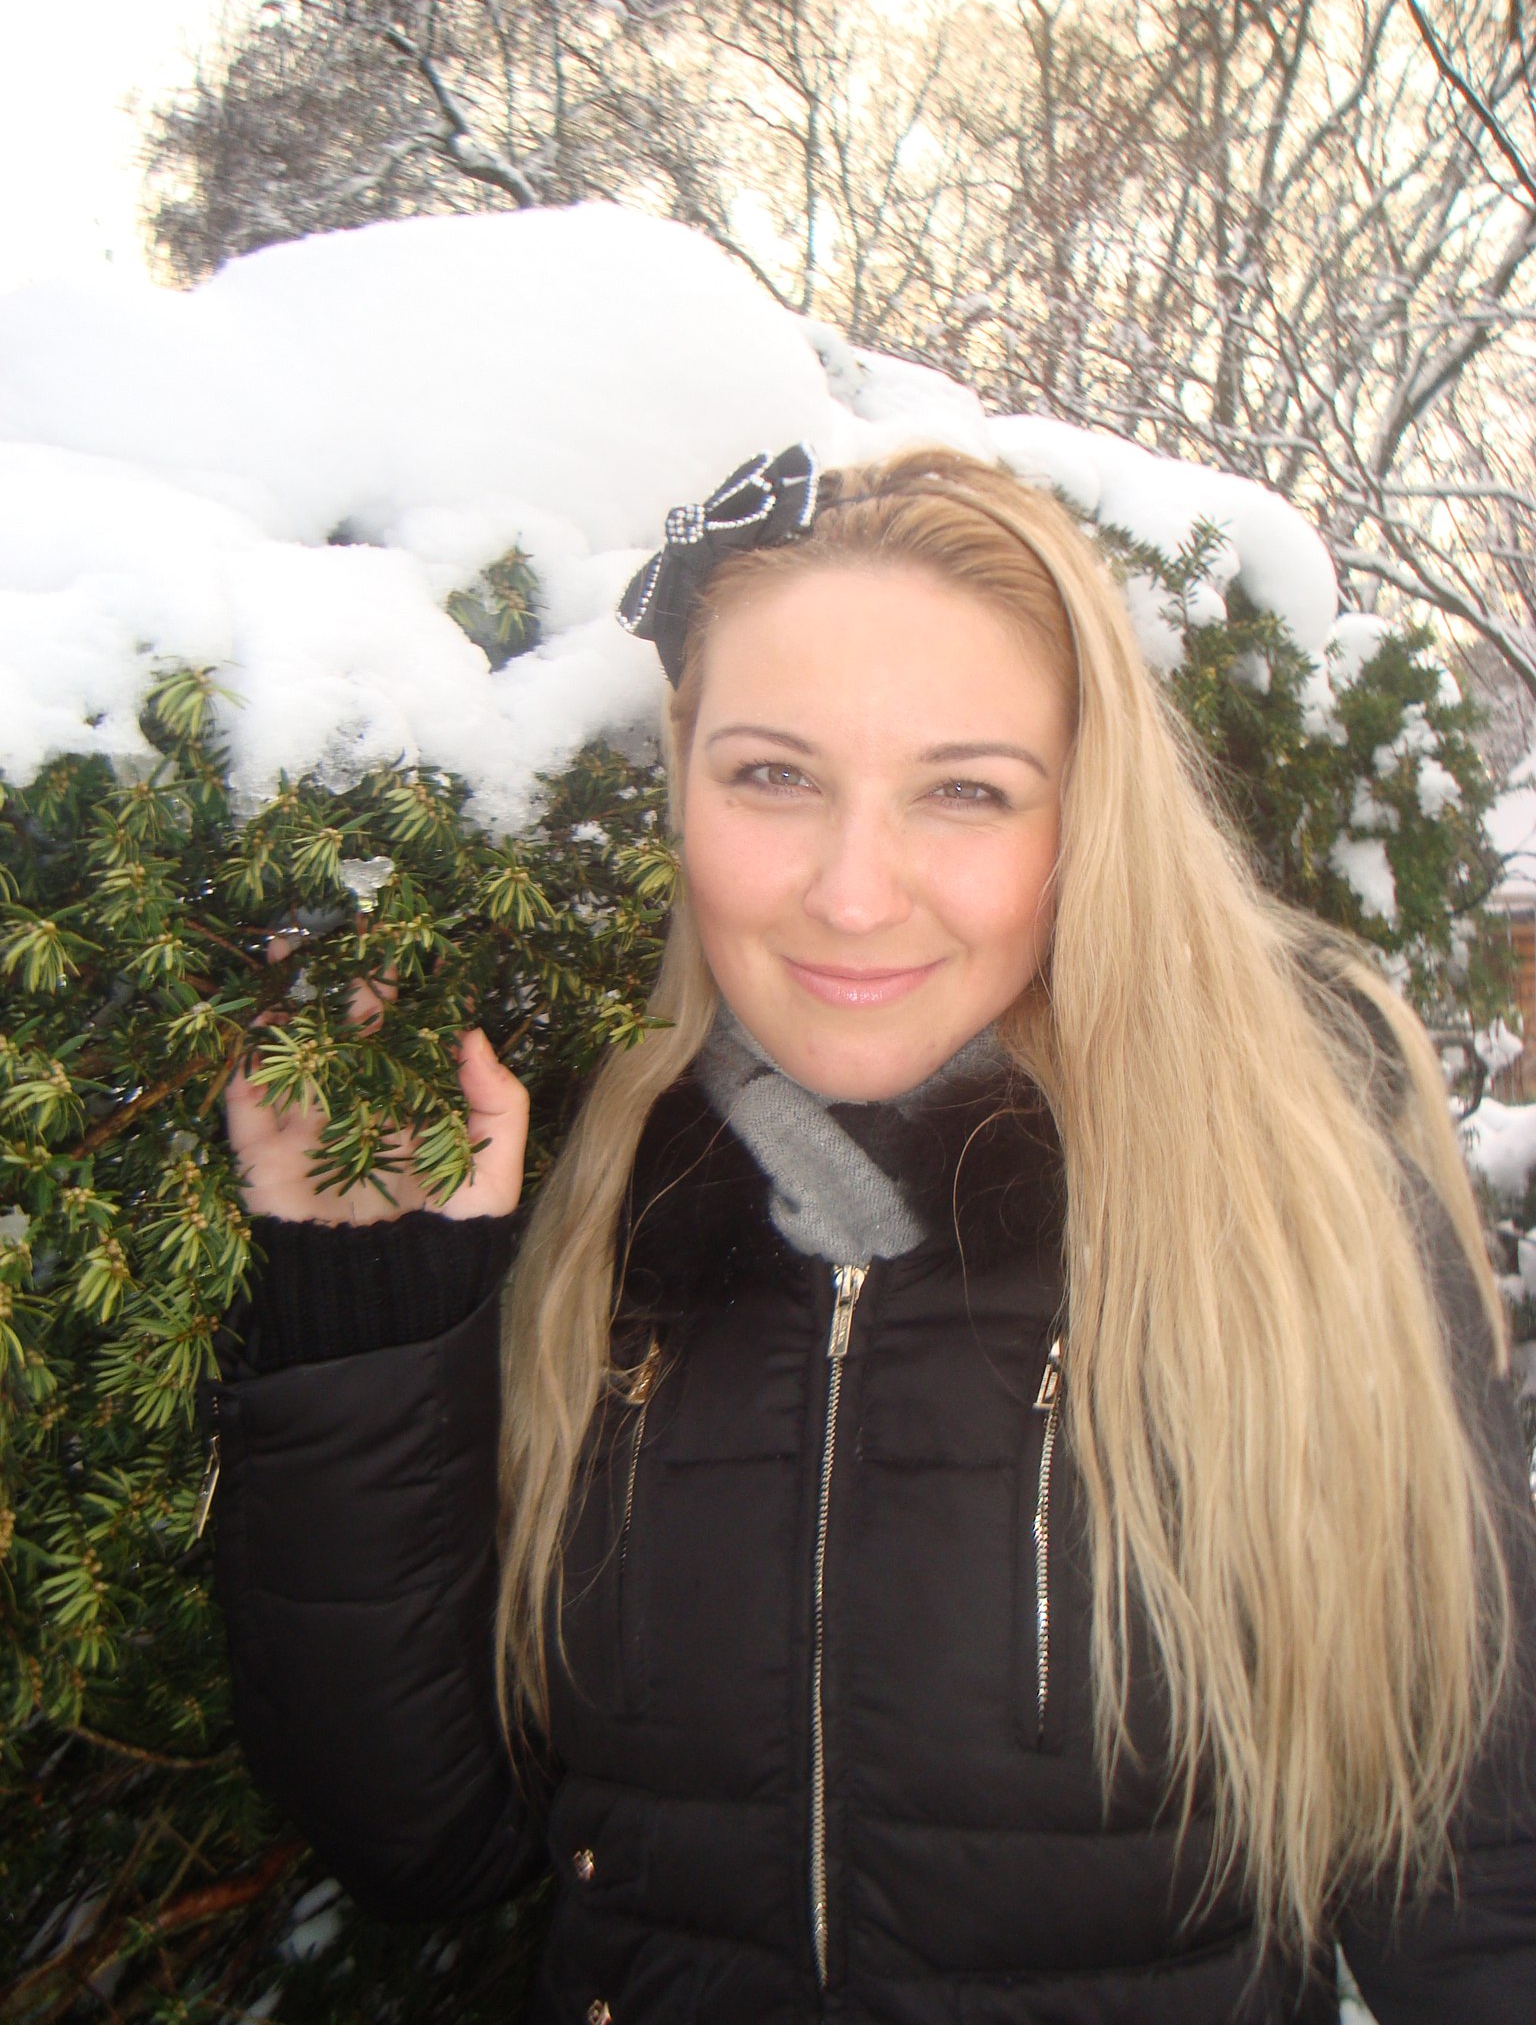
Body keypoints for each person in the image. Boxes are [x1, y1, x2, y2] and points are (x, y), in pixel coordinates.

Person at [211, 445, 1536, 2023]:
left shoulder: (1284, 1183)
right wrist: (370, 1302)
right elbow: (430, 1842)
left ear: (1086, 813)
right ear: (683, 781)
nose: (852, 896)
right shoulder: (604, 1183)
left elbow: (1477, 1882)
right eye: (773, 777)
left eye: (966, 791)